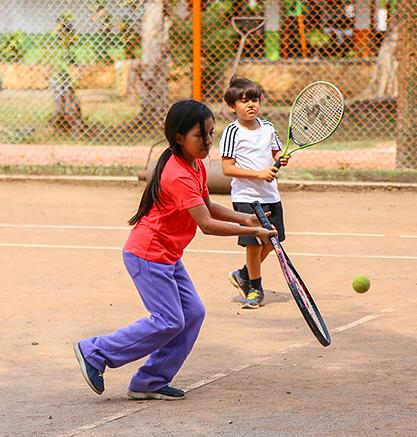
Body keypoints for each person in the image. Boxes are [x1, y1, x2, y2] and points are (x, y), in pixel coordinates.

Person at [73, 100, 277, 400]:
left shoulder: (193, 166)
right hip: (147, 255)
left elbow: (206, 205)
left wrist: (243, 217)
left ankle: (150, 380)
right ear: (179, 137)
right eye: (200, 135)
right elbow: (206, 224)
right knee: (169, 320)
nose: (208, 142)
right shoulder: (177, 174)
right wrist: (252, 231)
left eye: (211, 134)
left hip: (167, 256)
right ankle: (95, 351)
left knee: (193, 313)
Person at [220, 76, 288, 309]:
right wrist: (259, 174)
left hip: (271, 195)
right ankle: (254, 289)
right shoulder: (232, 132)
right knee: (255, 244)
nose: (251, 105)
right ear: (232, 107)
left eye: (255, 100)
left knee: (273, 241)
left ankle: (243, 274)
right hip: (247, 198)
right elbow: (227, 168)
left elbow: (278, 153)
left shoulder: (268, 128)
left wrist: (281, 159)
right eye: (244, 101)